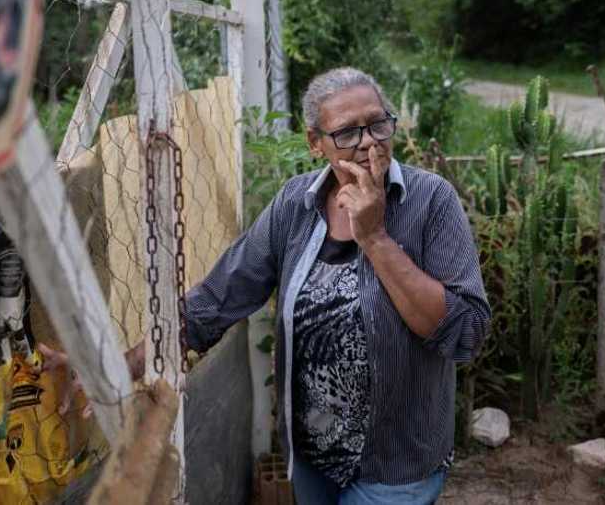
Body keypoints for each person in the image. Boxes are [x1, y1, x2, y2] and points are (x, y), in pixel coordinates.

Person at [47, 67, 490, 505]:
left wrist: (374, 237)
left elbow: (465, 330)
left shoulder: (432, 201)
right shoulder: (295, 204)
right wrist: (126, 363)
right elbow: (219, 297)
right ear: (315, 144)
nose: (369, 141)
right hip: (312, 456)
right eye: (347, 133)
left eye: (378, 123)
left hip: (396, 463)